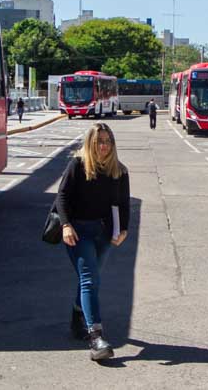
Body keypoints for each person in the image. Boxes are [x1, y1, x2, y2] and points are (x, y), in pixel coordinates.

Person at [56, 122, 130, 361]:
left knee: (91, 278)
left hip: (104, 233)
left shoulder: (119, 170)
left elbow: (124, 204)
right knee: (90, 279)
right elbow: (62, 196)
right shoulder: (77, 165)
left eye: (108, 141)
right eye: (99, 141)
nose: (104, 146)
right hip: (78, 232)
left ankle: (78, 315)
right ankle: (96, 337)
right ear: (90, 143)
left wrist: (124, 229)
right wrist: (66, 225)